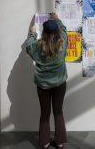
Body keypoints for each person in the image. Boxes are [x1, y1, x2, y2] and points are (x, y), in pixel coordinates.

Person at [26, 12, 68, 149]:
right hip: (60, 84)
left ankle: (44, 142)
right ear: (56, 32)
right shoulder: (62, 43)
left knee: (45, 113)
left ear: (43, 32)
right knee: (58, 111)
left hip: (43, 85)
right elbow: (64, 30)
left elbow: (28, 46)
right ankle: (60, 141)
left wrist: (32, 33)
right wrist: (58, 19)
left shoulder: (37, 46)